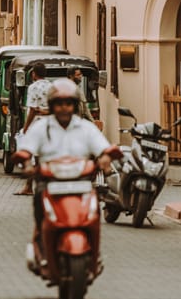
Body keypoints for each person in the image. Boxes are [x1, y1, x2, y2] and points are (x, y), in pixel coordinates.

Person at [15, 79, 114, 252]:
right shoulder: (41, 127)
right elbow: (26, 148)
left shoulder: (85, 128)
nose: (64, 108)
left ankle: (94, 250)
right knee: (40, 207)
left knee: (94, 211)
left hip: (81, 182)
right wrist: (26, 163)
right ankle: (39, 241)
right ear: (52, 105)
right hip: (50, 182)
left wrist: (105, 157)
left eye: (68, 104)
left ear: (75, 105)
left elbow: (102, 147)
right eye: (59, 104)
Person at [16, 63, 52, 195]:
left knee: (31, 156)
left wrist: (25, 128)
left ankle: (29, 186)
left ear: (34, 74)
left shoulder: (33, 87)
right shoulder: (52, 87)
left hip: (36, 125)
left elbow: (32, 110)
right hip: (50, 125)